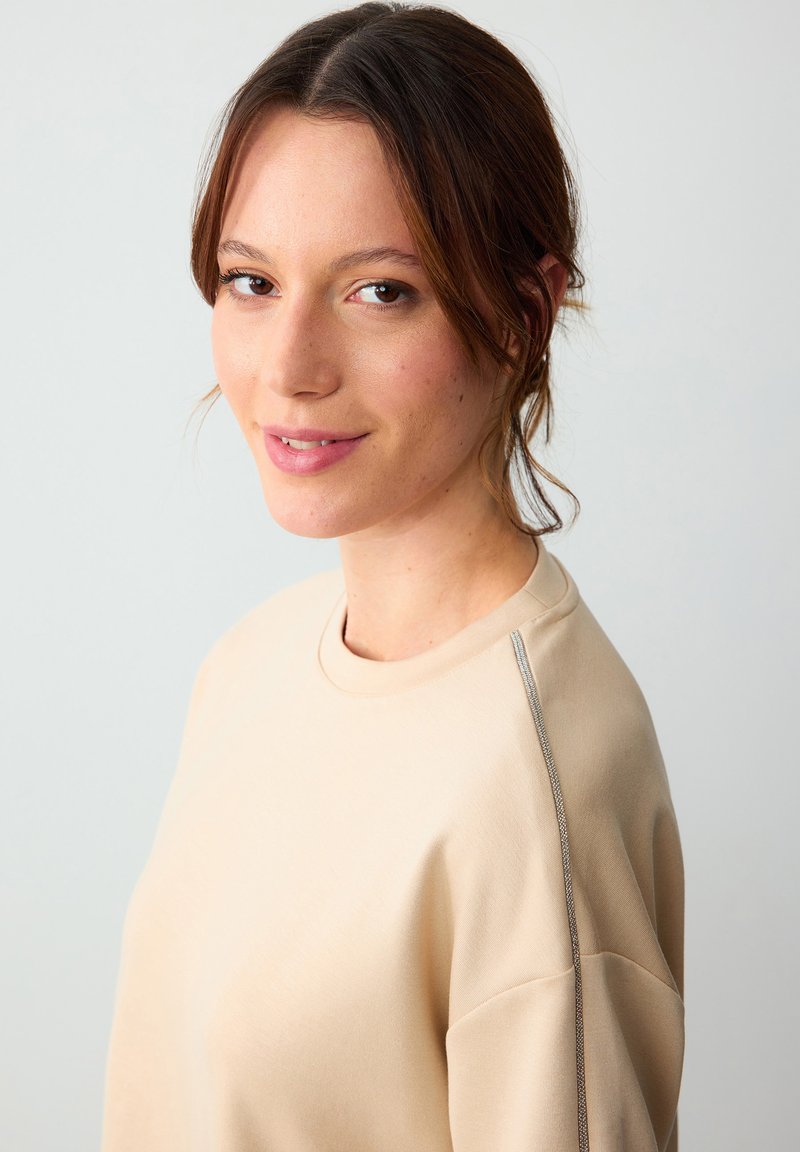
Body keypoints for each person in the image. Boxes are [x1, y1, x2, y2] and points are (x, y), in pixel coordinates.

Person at [101, 3, 684, 1150]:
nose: (289, 367)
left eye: (378, 291)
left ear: (521, 315)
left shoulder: (543, 780)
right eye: (251, 281)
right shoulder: (251, 665)